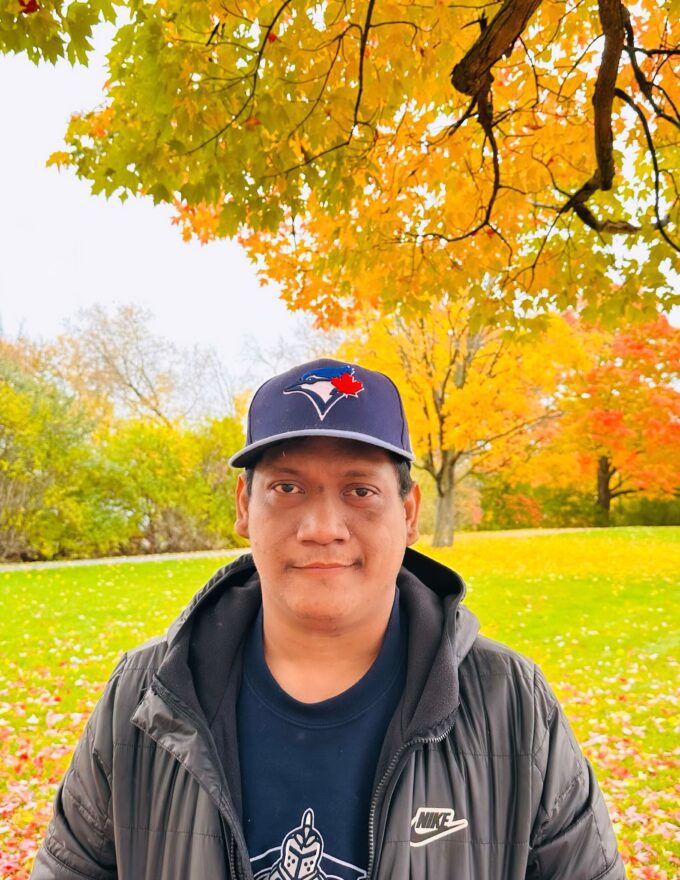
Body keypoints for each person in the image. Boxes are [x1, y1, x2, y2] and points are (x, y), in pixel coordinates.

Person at [31, 358, 626, 880]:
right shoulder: (143, 699)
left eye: (360, 491)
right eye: (287, 487)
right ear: (244, 507)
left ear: (409, 513)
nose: (322, 527)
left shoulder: (514, 708)